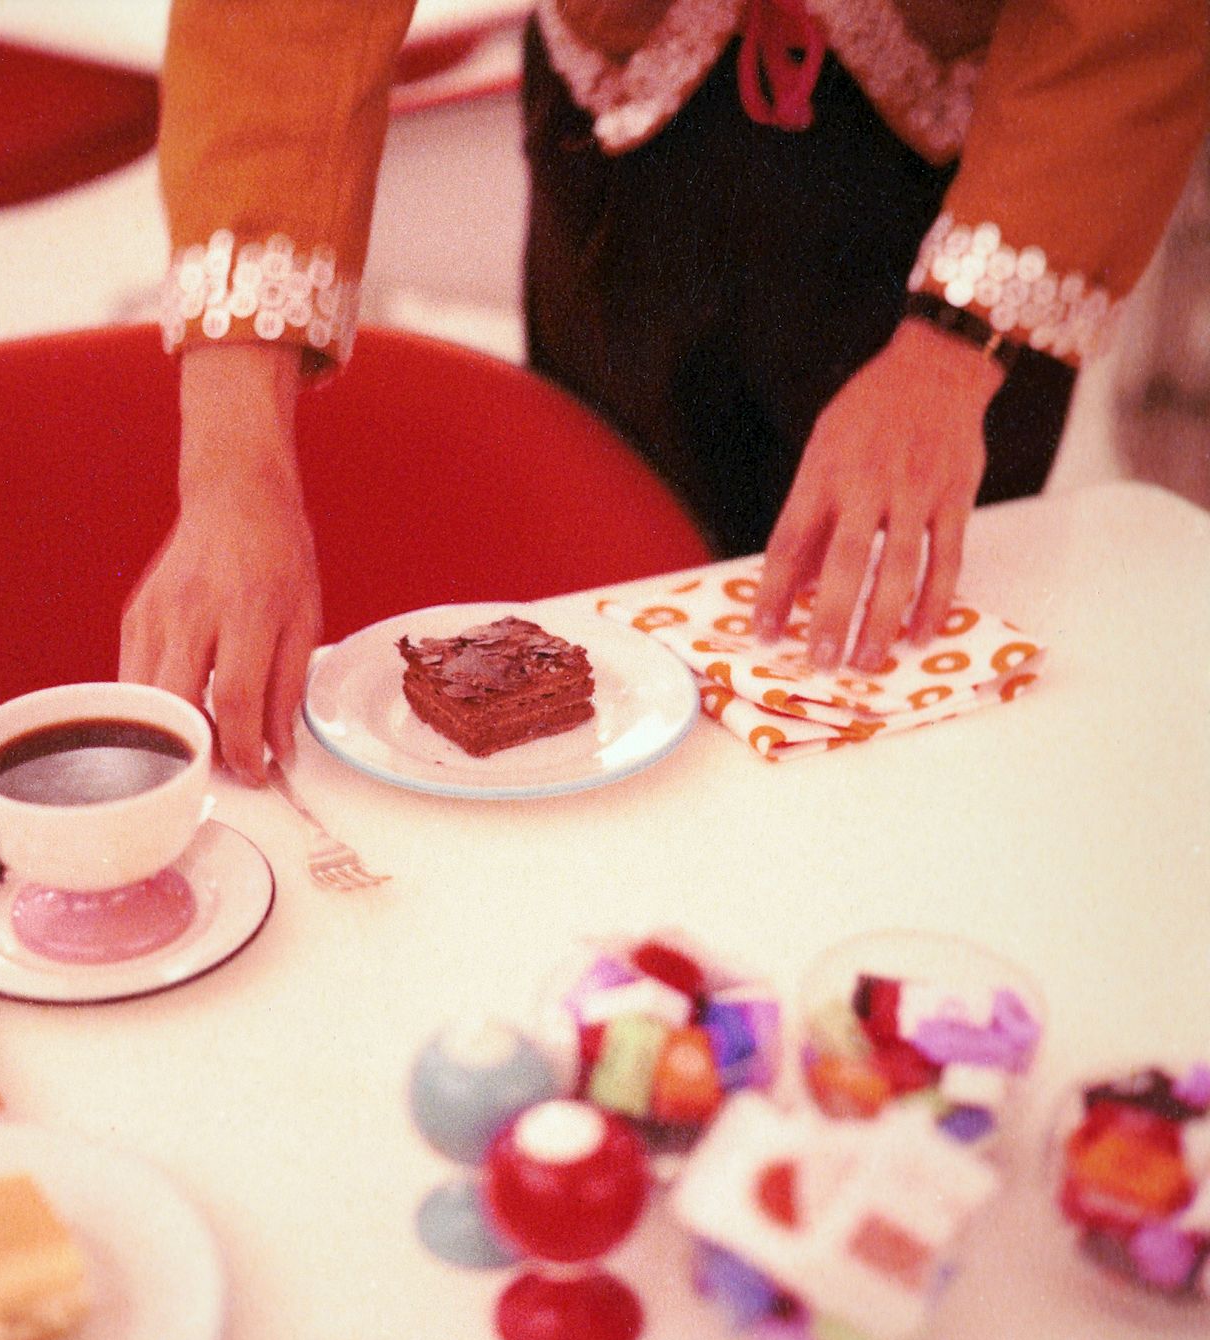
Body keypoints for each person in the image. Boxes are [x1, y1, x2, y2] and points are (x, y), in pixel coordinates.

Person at [121, 0, 1209, 783]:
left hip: (977, 177)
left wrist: (960, 344)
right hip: (618, 148)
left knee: (925, 752)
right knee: (608, 709)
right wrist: (231, 468)